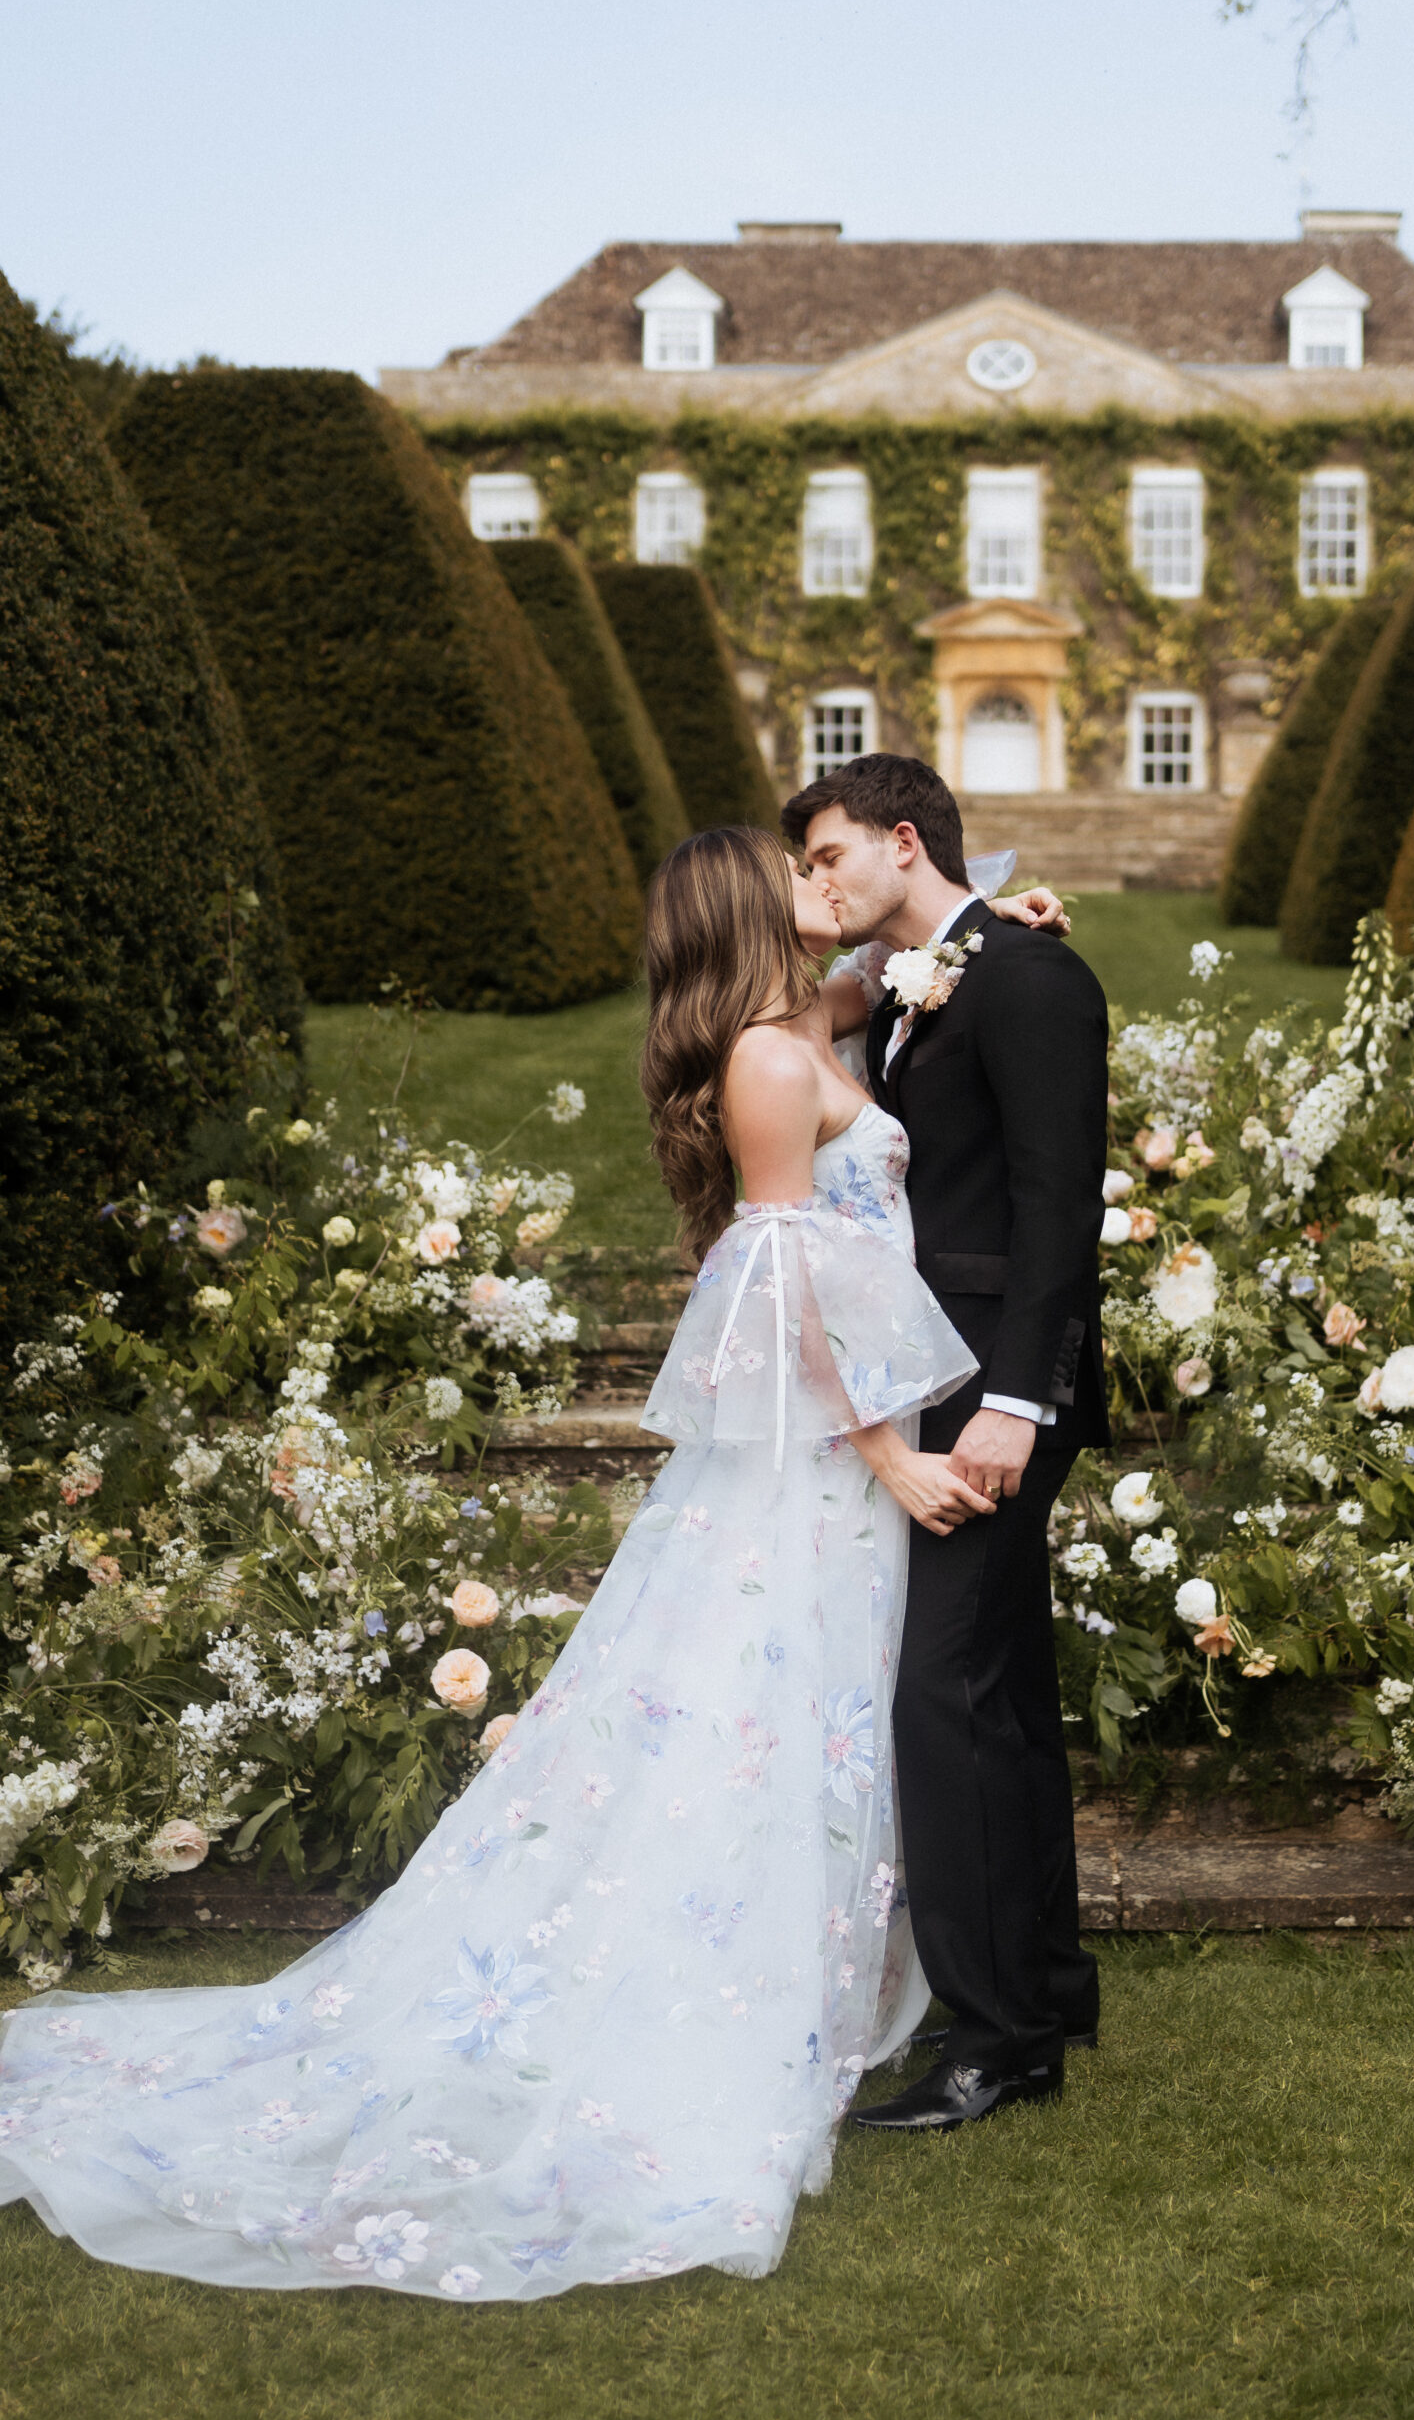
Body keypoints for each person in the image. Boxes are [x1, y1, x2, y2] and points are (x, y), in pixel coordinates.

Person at [0, 826, 1071, 2298]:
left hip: (839, 1461)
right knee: (754, 1719)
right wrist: (888, 1448)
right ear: (755, 912)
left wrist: (993, 921)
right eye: (798, 869)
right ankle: (707, 1998)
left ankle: (795, 1984)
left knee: (816, 1713)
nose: (824, 879)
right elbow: (780, 1282)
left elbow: (897, 963)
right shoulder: (768, 1063)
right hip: (818, 1456)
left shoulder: (804, 1020)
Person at [782, 756, 1109, 2135]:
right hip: (937, 1369)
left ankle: (995, 2039)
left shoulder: (1031, 980)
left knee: (946, 1695)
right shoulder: (929, 976)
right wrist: (827, 935)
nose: (818, 884)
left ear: (903, 842)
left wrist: (1014, 1406)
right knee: (1007, 1688)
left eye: (830, 857)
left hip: (991, 1391)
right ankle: (1048, 1981)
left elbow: (1057, 1209)